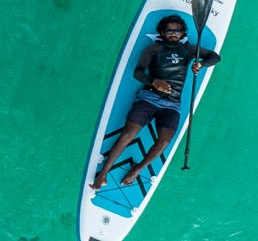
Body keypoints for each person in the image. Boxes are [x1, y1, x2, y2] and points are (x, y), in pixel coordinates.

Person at [91, 14, 220, 190]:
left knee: (164, 142)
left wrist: (201, 64)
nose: (174, 34)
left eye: (178, 31)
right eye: (170, 31)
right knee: (128, 135)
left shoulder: (189, 50)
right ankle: (103, 173)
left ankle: (137, 169)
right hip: (149, 98)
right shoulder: (153, 49)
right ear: (162, 32)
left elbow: (214, 57)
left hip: (172, 105)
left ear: (183, 33)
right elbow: (137, 73)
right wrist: (154, 82)